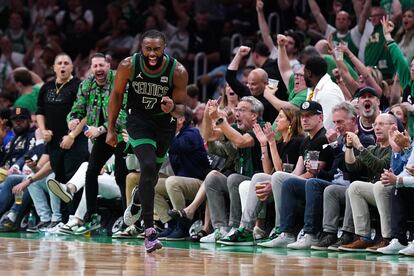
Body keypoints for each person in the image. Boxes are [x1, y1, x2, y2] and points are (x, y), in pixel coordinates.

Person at [106, 30, 188, 253]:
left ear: (164, 48)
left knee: (150, 176)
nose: (152, 53)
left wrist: (173, 108)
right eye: (148, 49)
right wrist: (111, 129)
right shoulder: (127, 65)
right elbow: (116, 96)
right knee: (148, 166)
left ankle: (137, 200)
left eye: (156, 49)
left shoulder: (178, 71)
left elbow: (182, 109)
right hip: (138, 121)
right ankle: (150, 231)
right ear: (141, 48)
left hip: (164, 125)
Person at [47, 53, 128, 235]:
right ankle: (91, 216)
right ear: (91, 69)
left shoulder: (120, 81)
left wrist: (101, 129)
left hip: (121, 134)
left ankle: (127, 218)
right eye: (95, 66)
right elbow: (77, 108)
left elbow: (124, 112)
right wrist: (73, 120)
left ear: (109, 65)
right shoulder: (87, 84)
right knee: (91, 171)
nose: (98, 69)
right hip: (100, 137)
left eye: (102, 65)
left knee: (121, 175)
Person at [36, 53, 88, 188]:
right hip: (53, 142)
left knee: (72, 178)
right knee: (59, 180)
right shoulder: (46, 87)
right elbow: (40, 112)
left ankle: (74, 210)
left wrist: (72, 136)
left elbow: (87, 114)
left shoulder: (79, 85)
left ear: (72, 67)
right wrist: (43, 131)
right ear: (54, 68)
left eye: (66, 63)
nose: (63, 66)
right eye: (59, 63)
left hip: (75, 141)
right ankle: (61, 210)